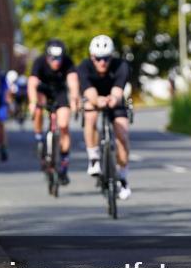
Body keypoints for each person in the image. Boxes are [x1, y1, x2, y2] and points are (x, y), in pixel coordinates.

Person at [78, 34, 132, 200]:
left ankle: (122, 176)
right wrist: (97, 100)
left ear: (112, 56)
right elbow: (89, 92)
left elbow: (117, 91)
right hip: (95, 98)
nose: (102, 62)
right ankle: (94, 157)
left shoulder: (121, 65)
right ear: (92, 57)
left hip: (114, 99)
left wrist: (113, 99)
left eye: (106, 58)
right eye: (98, 58)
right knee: (90, 115)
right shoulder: (84, 67)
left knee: (122, 134)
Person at [28, 39, 80, 185]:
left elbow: (73, 81)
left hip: (60, 92)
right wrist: (32, 103)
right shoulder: (39, 62)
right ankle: (39, 138)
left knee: (63, 125)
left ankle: (64, 162)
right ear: (47, 56)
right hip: (43, 91)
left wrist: (75, 99)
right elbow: (32, 83)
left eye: (59, 58)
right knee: (38, 110)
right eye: (53, 58)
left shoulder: (68, 63)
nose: (56, 61)